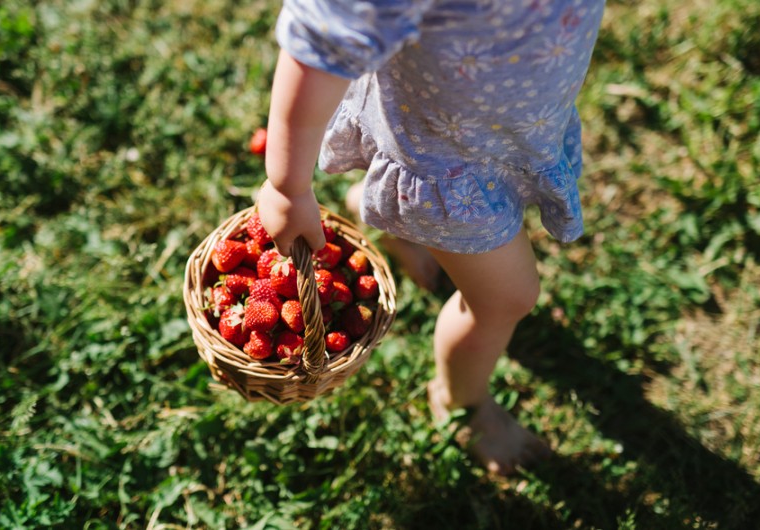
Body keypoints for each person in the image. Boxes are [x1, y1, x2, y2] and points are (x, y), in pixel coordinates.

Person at [257, 0, 605, 475]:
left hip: (512, 124)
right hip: (444, 164)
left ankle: (386, 216)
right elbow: (321, 37)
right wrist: (287, 184)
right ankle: (461, 402)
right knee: (507, 299)